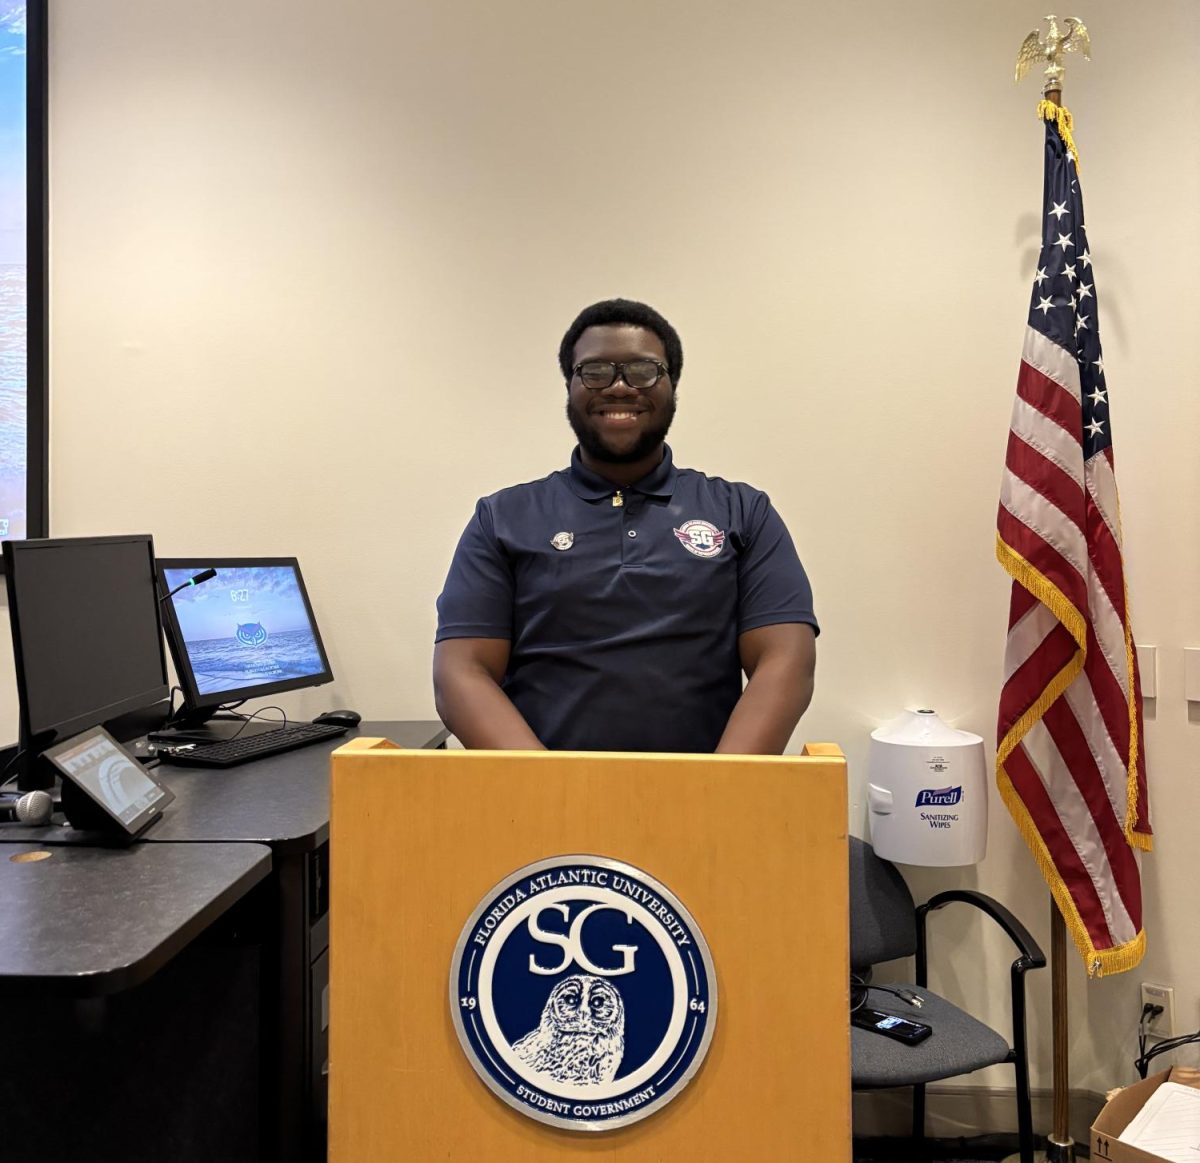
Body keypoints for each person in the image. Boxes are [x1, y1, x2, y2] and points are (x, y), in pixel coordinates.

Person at [433, 298, 818, 754]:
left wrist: (719, 796)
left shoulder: (743, 512)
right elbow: (462, 672)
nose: (618, 387)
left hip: (705, 805)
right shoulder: (501, 518)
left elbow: (786, 661)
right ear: (570, 387)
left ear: (672, 385)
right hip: (541, 807)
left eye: (643, 370)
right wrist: (551, 793)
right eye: (595, 371)